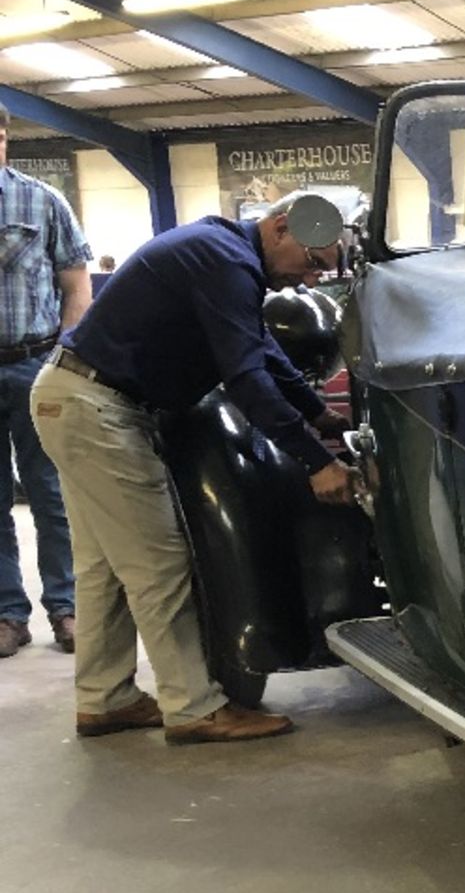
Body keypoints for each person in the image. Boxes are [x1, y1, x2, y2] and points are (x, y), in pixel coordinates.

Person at [29, 192, 353, 744]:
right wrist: (317, 462)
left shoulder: (224, 253)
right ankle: (194, 707)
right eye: (315, 262)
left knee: (105, 567)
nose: (313, 281)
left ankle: (105, 699)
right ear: (279, 228)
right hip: (99, 408)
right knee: (160, 565)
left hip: (75, 398)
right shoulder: (226, 260)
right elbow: (247, 376)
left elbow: (265, 353)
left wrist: (320, 414)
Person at [0, 101, 91, 660]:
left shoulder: (42, 200)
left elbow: (77, 284)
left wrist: (64, 357)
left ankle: (68, 605)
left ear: (5, 136)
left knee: (52, 492)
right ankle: (8, 614)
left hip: (35, 363)